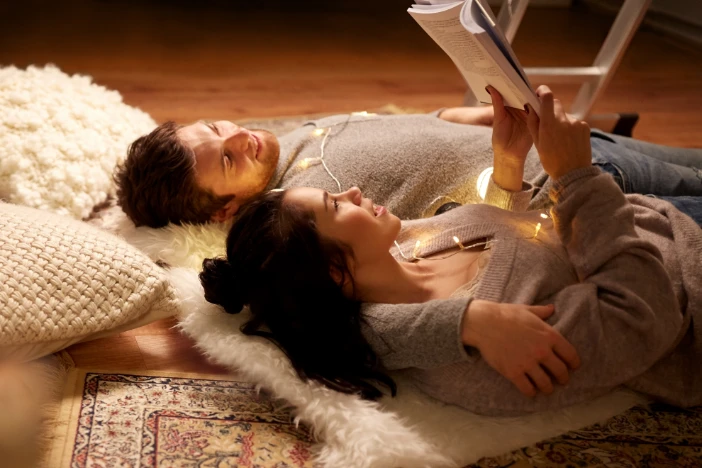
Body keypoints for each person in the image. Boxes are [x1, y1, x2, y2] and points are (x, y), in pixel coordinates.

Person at [198, 86, 702, 417]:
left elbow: (512, 229)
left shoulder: (404, 248)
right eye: (335, 204)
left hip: (654, 215)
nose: (352, 191)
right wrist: (577, 177)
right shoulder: (489, 355)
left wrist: (508, 162)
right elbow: (645, 313)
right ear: (335, 271)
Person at [114, 96, 702, 228]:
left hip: (566, 139)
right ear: (226, 209)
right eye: (226, 156)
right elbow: (460, 234)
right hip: (565, 181)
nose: (241, 134)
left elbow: (394, 129)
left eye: (220, 126)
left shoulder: (292, 139)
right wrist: (509, 164)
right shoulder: (312, 204)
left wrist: (462, 114)